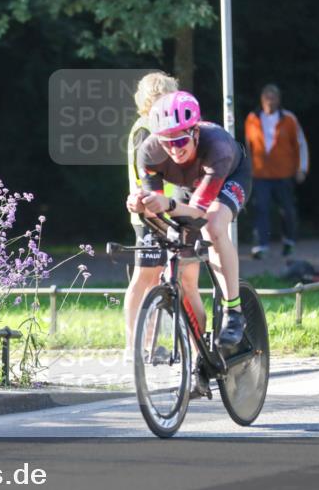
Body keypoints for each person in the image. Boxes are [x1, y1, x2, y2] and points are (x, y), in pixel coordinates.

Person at [126, 91, 251, 352]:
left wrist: (169, 204)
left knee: (214, 226)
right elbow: (155, 210)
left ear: (195, 132)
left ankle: (234, 311)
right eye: (166, 142)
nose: (174, 149)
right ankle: (199, 359)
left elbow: (200, 212)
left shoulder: (218, 147)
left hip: (229, 178)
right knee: (180, 275)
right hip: (189, 186)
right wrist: (139, 204)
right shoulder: (149, 152)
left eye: (181, 140)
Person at [123, 72, 178, 357]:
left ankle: (149, 344)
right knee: (145, 276)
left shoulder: (156, 127)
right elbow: (141, 173)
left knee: (156, 278)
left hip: (163, 212)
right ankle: (134, 345)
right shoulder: (145, 129)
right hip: (148, 214)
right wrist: (150, 210)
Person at [243, 83, 309, 259]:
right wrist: (247, 169)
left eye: (273, 97)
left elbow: (300, 144)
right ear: (262, 99)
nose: (270, 101)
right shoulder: (252, 118)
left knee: (287, 210)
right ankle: (261, 246)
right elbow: (248, 146)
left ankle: (289, 242)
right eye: (267, 97)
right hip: (260, 174)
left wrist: (301, 168)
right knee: (261, 208)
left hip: (284, 173)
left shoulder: (289, 119)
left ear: (279, 100)